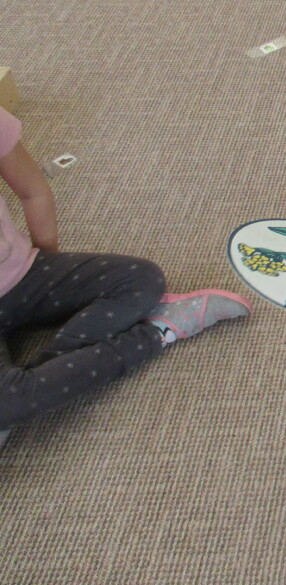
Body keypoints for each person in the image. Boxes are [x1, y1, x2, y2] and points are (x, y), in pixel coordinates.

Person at [0, 106, 250, 448]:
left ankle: (29, 390)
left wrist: (50, 264)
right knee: (8, 403)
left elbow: (33, 191)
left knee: (141, 279)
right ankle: (153, 334)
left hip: (23, 274)